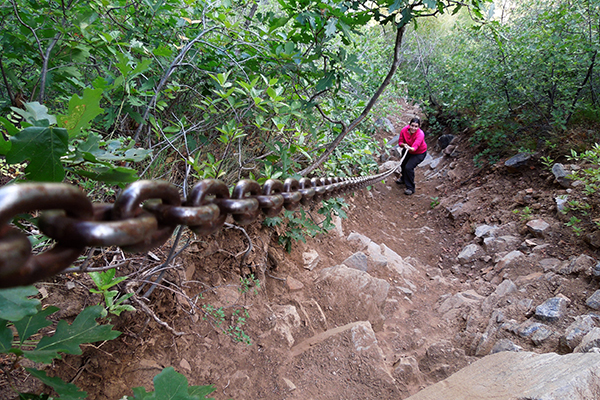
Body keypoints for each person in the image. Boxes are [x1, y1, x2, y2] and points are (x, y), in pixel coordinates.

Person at [395, 117, 427, 195]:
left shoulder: (420, 134)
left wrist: (409, 147)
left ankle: (410, 188)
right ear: (409, 125)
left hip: (419, 153)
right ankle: (403, 178)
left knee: (408, 167)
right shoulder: (404, 130)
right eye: (412, 125)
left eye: (416, 126)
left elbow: (415, 147)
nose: (413, 128)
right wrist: (404, 145)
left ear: (419, 127)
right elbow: (400, 142)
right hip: (407, 150)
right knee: (403, 165)